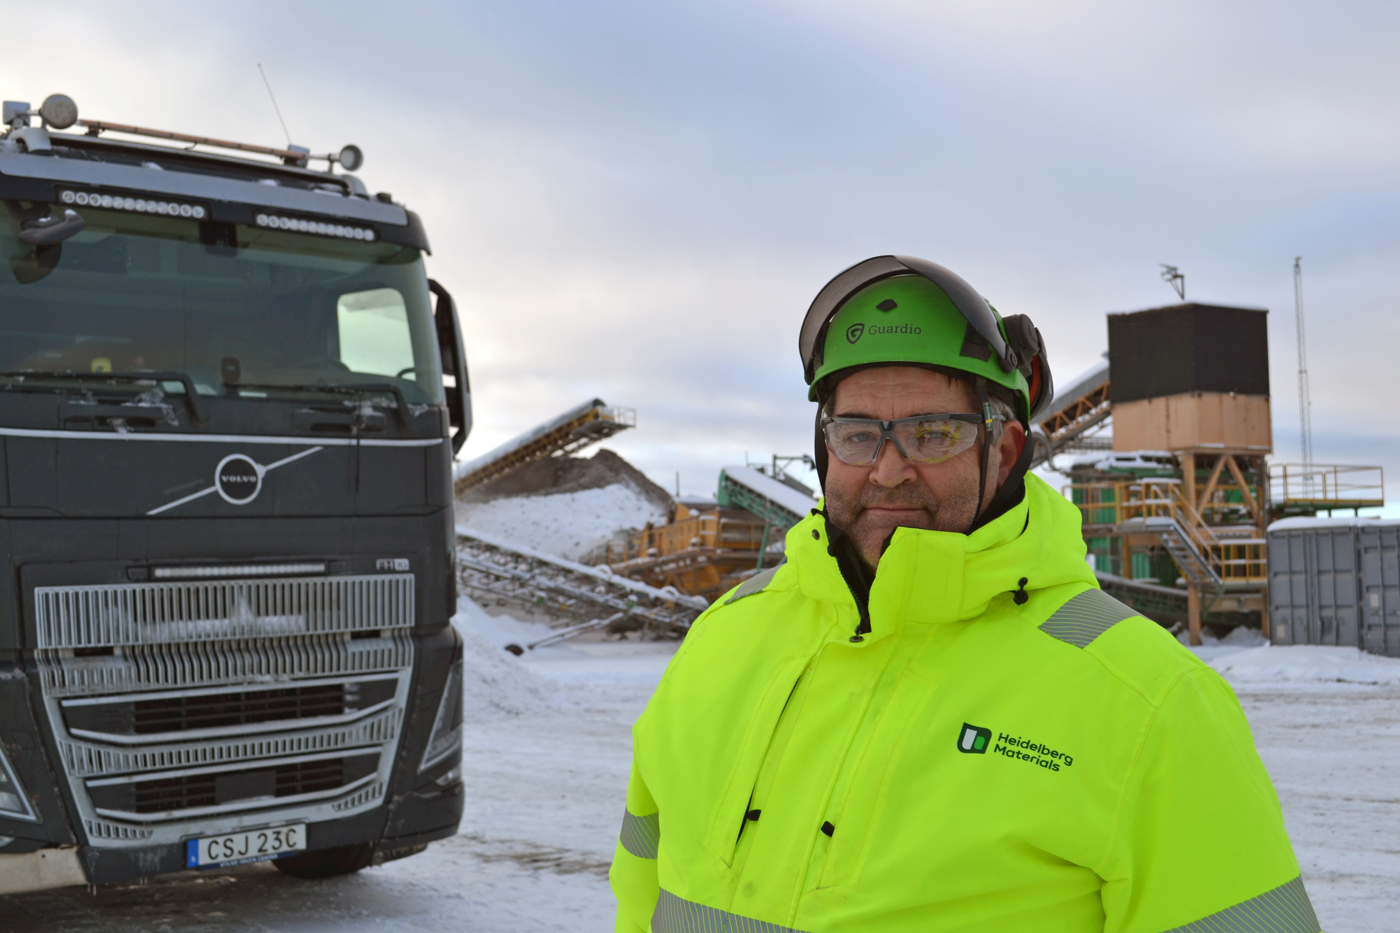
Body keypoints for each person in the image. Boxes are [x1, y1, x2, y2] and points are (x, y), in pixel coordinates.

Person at [610, 256, 1318, 933]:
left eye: (932, 433)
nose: (887, 471)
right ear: (825, 447)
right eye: (857, 434)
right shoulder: (722, 641)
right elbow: (643, 895)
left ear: (1004, 451)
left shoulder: (1151, 705)